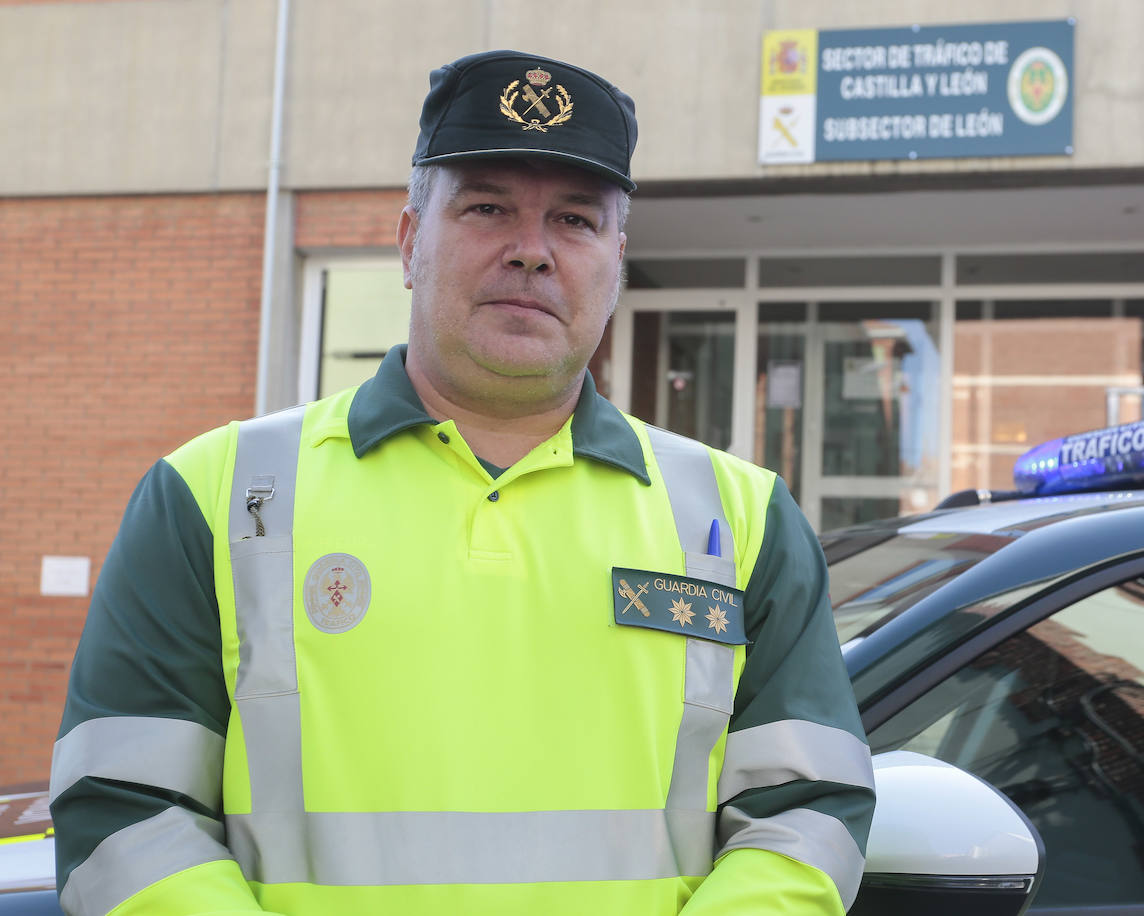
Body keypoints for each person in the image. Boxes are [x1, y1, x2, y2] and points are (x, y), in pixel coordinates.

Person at [50, 49, 875, 915]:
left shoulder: (742, 519)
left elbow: (805, 817)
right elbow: (123, 814)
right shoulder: (210, 496)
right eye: (487, 208)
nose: (532, 252)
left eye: (576, 221)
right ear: (410, 242)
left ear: (617, 261)